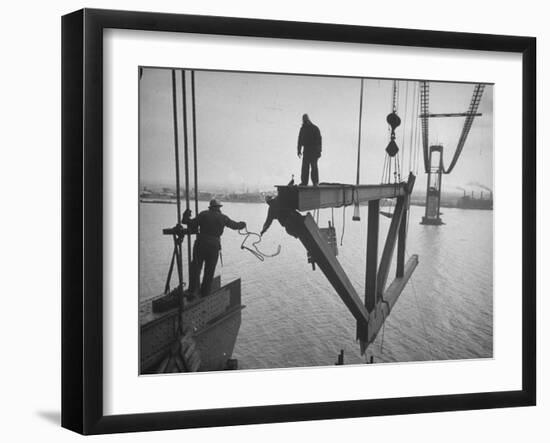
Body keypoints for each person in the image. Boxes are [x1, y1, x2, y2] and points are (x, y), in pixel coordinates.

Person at [182, 199, 246, 299]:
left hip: (201, 244)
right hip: (214, 246)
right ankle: (205, 294)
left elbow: (188, 222)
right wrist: (242, 224)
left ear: (210, 207)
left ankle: (192, 291)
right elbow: (235, 226)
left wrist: (186, 216)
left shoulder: (203, 214)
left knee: (196, 267)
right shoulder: (223, 218)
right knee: (209, 270)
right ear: (219, 208)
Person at [297, 114, 322, 186]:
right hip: (307, 151)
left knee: (313, 167)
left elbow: (319, 141)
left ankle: (315, 182)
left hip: (313, 151)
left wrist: (319, 151)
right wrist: (299, 150)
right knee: (305, 167)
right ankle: (305, 182)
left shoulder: (314, 128)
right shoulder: (303, 129)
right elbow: (300, 140)